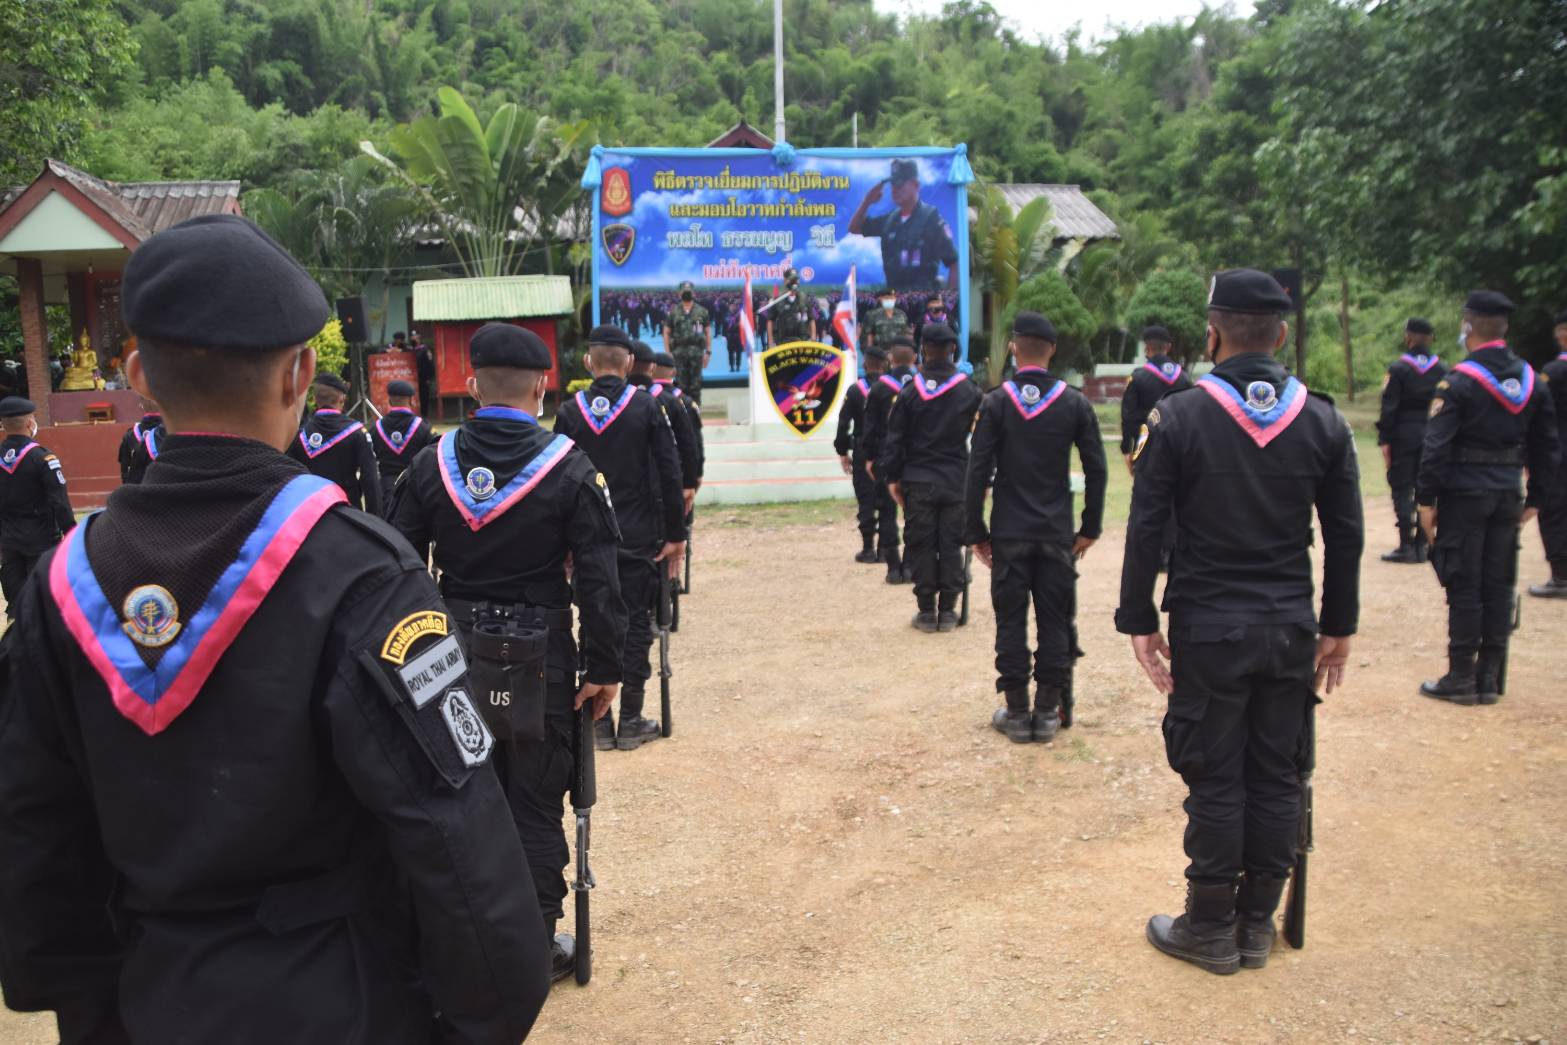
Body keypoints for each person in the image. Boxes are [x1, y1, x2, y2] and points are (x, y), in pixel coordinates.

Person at [0, 213, 549, 1044]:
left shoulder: (58, 586)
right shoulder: (361, 573)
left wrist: (88, 1004)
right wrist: (485, 1015)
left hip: (147, 997)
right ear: (301, 373)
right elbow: (453, 833)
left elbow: (34, 833)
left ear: (140, 376)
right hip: (338, 1000)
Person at [1116, 268, 1362, 976]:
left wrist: (1139, 618)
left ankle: (1208, 925)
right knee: (1277, 774)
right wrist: (1337, 624)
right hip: (1288, 626)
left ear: (1211, 334)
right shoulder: (1322, 419)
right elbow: (1345, 533)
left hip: (1209, 626)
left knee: (1217, 776)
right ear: (1280, 336)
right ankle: (1255, 923)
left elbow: (1146, 525)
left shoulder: (1178, 416)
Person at [388, 321, 626, 984]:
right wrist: (605, 668)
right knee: (534, 801)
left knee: (449, 793)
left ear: (471, 386)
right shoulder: (570, 466)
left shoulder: (429, 464)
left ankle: (454, 940)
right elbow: (600, 579)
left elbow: (394, 567)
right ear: (542, 387)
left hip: (446, 654)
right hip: (540, 656)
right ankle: (533, 946)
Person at [966, 312, 1107, 742]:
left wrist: (976, 532)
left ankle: (1015, 712)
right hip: (1055, 532)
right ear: (1053, 350)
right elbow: (1097, 469)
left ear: (1013, 348)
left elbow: (977, 471)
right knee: (1054, 620)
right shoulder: (1075, 403)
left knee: (1010, 621)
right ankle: (1047, 713)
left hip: (1010, 532)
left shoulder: (995, 403)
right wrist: (1090, 526)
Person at [1416, 291, 1560, 703]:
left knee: (1465, 581)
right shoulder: (1531, 380)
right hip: (1507, 492)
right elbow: (1547, 446)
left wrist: (1426, 501)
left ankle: (1461, 675)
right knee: (1499, 582)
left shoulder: (1459, 381)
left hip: (1465, 494)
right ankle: (1491, 678)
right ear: (1505, 328)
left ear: (1468, 326)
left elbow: (1436, 446)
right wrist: (1536, 498)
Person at [554, 325, 685, 751]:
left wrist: (560, 542)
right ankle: (630, 719)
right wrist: (676, 535)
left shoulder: (569, 412)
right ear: (629, 362)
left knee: (594, 619)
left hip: (585, 537)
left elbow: (553, 478)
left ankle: (597, 722)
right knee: (636, 625)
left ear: (587, 362)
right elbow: (669, 473)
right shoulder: (647, 407)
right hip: (637, 536)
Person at [878, 322, 982, 632]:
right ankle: (948, 611)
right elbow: (983, 442)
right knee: (951, 543)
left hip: (918, 479)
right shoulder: (970, 391)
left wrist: (893, 478)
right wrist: (982, 482)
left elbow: (895, 440)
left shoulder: (910, 392)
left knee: (921, 543)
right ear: (953, 350)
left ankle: (926, 611)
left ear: (923, 349)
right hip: (956, 479)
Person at [1375, 318, 1446, 563]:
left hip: (1403, 435)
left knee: (1402, 487)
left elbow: (1389, 407)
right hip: (1433, 435)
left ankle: (1405, 544)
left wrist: (1384, 439)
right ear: (1431, 338)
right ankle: (1422, 544)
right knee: (1426, 486)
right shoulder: (1443, 370)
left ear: (1408, 337)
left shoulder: (1398, 368)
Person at [0, 396, 75, 617]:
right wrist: (71, 533)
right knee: (42, 600)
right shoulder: (43, 458)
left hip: (8, 540)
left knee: (16, 601)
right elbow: (59, 502)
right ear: (28, 422)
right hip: (41, 539)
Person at [848, 159, 959, 291]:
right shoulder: (890, 220)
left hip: (923, 298)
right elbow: (854, 228)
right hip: (893, 298)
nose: (894, 189)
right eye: (893, 184)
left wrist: (948, 299)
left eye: (899, 184)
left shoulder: (931, 219)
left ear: (916, 185)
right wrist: (867, 200)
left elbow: (954, 264)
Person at [862, 334, 917, 583]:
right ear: (914, 358)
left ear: (890, 359)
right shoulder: (922, 387)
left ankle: (893, 567)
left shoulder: (879, 388)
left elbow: (870, 429)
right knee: (914, 513)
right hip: (915, 457)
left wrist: (869, 457)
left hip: (886, 455)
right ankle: (910, 565)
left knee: (886, 511)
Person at [288, 373, 383, 514]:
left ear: (315, 399)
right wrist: (374, 519)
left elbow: (290, 477)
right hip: (349, 511)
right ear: (342, 399)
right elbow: (370, 480)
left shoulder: (300, 434)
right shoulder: (357, 433)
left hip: (311, 512)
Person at [629, 342, 699, 517]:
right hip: (664, 487)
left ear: (628, 364)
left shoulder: (613, 402)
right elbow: (688, 444)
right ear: (652, 367)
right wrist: (690, 482)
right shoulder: (671, 402)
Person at [835, 345, 891, 563]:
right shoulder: (892, 390)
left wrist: (842, 451)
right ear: (885, 365)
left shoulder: (854, 391)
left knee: (866, 498)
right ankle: (885, 549)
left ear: (865, 364)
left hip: (862, 450)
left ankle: (868, 549)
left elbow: (843, 424)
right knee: (886, 499)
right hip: (887, 450)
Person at [1527, 309, 1567, 599]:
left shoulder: (1554, 372)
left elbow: (1539, 417)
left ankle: (1561, 576)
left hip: (1559, 452)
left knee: (1555, 510)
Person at [651, 350, 705, 513]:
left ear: (651, 369)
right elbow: (695, 442)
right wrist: (696, 474)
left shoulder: (642, 399)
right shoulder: (686, 402)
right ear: (674, 372)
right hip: (680, 472)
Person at [371, 378, 435, 495]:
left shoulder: (375, 429)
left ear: (389, 400)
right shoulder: (423, 428)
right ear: (411, 400)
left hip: (386, 490)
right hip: (415, 489)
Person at [662, 281, 712, 403]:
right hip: (678, 354)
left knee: (696, 386)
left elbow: (707, 332)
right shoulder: (673, 312)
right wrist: (668, 353)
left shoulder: (702, 311)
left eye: (689, 291)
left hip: (697, 353)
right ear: (680, 293)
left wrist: (708, 352)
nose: (687, 293)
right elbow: (666, 332)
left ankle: (695, 411)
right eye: (684, 291)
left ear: (693, 293)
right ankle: (683, 412)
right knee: (680, 386)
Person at [766, 268, 818, 347]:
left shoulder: (805, 299)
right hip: (783, 343)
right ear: (785, 281)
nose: (795, 282)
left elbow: (811, 319)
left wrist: (813, 337)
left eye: (796, 279)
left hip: (802, 341)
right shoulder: (778, 300)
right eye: (792, 279)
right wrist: (770, 341)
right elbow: (770, 320)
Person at [118, 398, 163, 484]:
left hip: (141, 488)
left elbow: (125, 473)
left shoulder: (129, 436)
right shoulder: (174, 433)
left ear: (141, 406)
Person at [412, 330, 436, 417]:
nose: (415, 340)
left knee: (424, 396)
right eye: (413, 338)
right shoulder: (412, 350)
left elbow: (430, 364)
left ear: (419, 339)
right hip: (413, 378)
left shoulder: (425, 349)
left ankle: (424, 415)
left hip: (423, 377)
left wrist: (429, 377)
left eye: (416, 338)